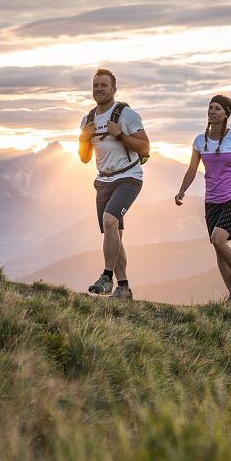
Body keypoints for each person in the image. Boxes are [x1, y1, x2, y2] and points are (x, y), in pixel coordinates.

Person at [174, 94, 231, 301]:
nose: (212, 111)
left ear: (226, 113)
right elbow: (192, 169)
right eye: (210, 107)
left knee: (219, 239)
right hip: (211, 200)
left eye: (217, 108)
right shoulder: (199, 141)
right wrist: (182, 190)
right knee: (217, 247)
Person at [78, 68, 150, 300]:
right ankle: (124, 288)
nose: (98, 89)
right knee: (114, 233)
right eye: (95, 85)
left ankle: (107, 278)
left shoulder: (127, 114)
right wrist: (83, 138)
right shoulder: (87, 119)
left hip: (128, 177)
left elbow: (145, 147)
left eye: (103, 85)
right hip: (103, 181)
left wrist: (119, 134)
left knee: (110, 221)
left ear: (114, 89)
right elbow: (84, 157)